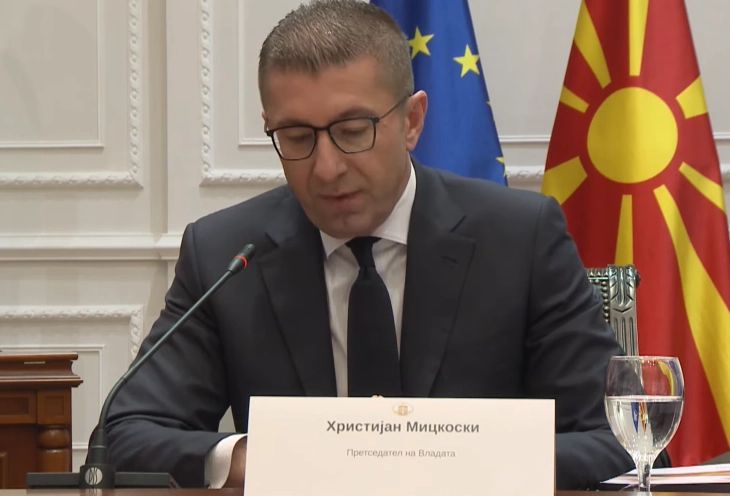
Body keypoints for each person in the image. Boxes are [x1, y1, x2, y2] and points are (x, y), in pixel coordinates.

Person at [105, 0, 664, 490]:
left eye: (353, 131)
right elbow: (126, 434)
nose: (326, 168)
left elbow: (626, 439)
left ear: (412, 121)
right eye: (296, 137)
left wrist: (454, 462)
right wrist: (256, 459)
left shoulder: (520, 238)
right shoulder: (226, 253)